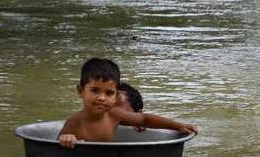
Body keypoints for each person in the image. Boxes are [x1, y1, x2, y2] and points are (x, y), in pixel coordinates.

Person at [59, 57, 198, 148]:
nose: (102, 98)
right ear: (80, 91)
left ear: (116, 95)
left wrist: (179, 126)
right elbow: (55, 145)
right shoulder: (76, 122)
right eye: (95, 91)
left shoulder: (113, 114)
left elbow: (144, 119)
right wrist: (67, 139)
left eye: (109, 93)